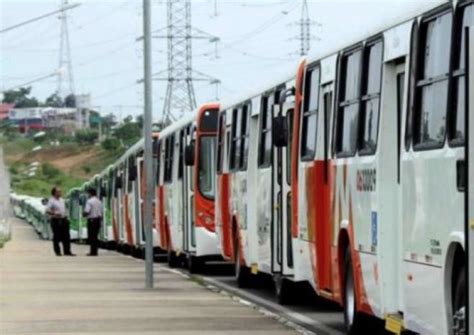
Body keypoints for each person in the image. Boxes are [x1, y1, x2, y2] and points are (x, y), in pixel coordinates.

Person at [45, 187, 75, 256]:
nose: (60, 193)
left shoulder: (62, 200)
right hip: (56, 220)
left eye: (60, 191)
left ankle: (67, 251)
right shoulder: (51, 201)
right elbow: (47, 210)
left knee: (66, 236)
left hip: (64, 219)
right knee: (57, 236)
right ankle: (57, 251)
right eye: (58, 192)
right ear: (54, 193)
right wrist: (54, 213)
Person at [83, 188, 103, 256]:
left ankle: (92, 252)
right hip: (98, 220)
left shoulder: (89, 201)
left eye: (88, 193)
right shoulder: (99, 201)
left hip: (92, 221)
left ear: (90, 193)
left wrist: (83, 214)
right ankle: (95, 251)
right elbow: (101, 212)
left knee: (92, 237)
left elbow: (87, 211)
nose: (87, 195)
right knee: (95, 236)